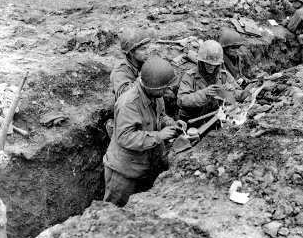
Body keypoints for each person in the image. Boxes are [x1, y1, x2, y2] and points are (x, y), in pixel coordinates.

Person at [103, 57, 187, 207]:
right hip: (124, 173)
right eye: (164, 88)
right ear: (152, 87)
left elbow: (160, 116)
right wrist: (159, 136)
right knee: (113, 212)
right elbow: (125, 137)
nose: (168, 91)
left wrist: (172, 124)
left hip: (146, 166)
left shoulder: (156, 96)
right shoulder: (129, 103)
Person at [177, 40, 251, 122]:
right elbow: (181, 101)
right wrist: (204, 93)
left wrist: (232, 91)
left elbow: (241, 96)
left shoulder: (224, 76)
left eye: (214, 65)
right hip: (192, 120)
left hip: (214, 119)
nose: (211, 67)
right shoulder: (189, 76)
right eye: (208, 64)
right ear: (202, 62)